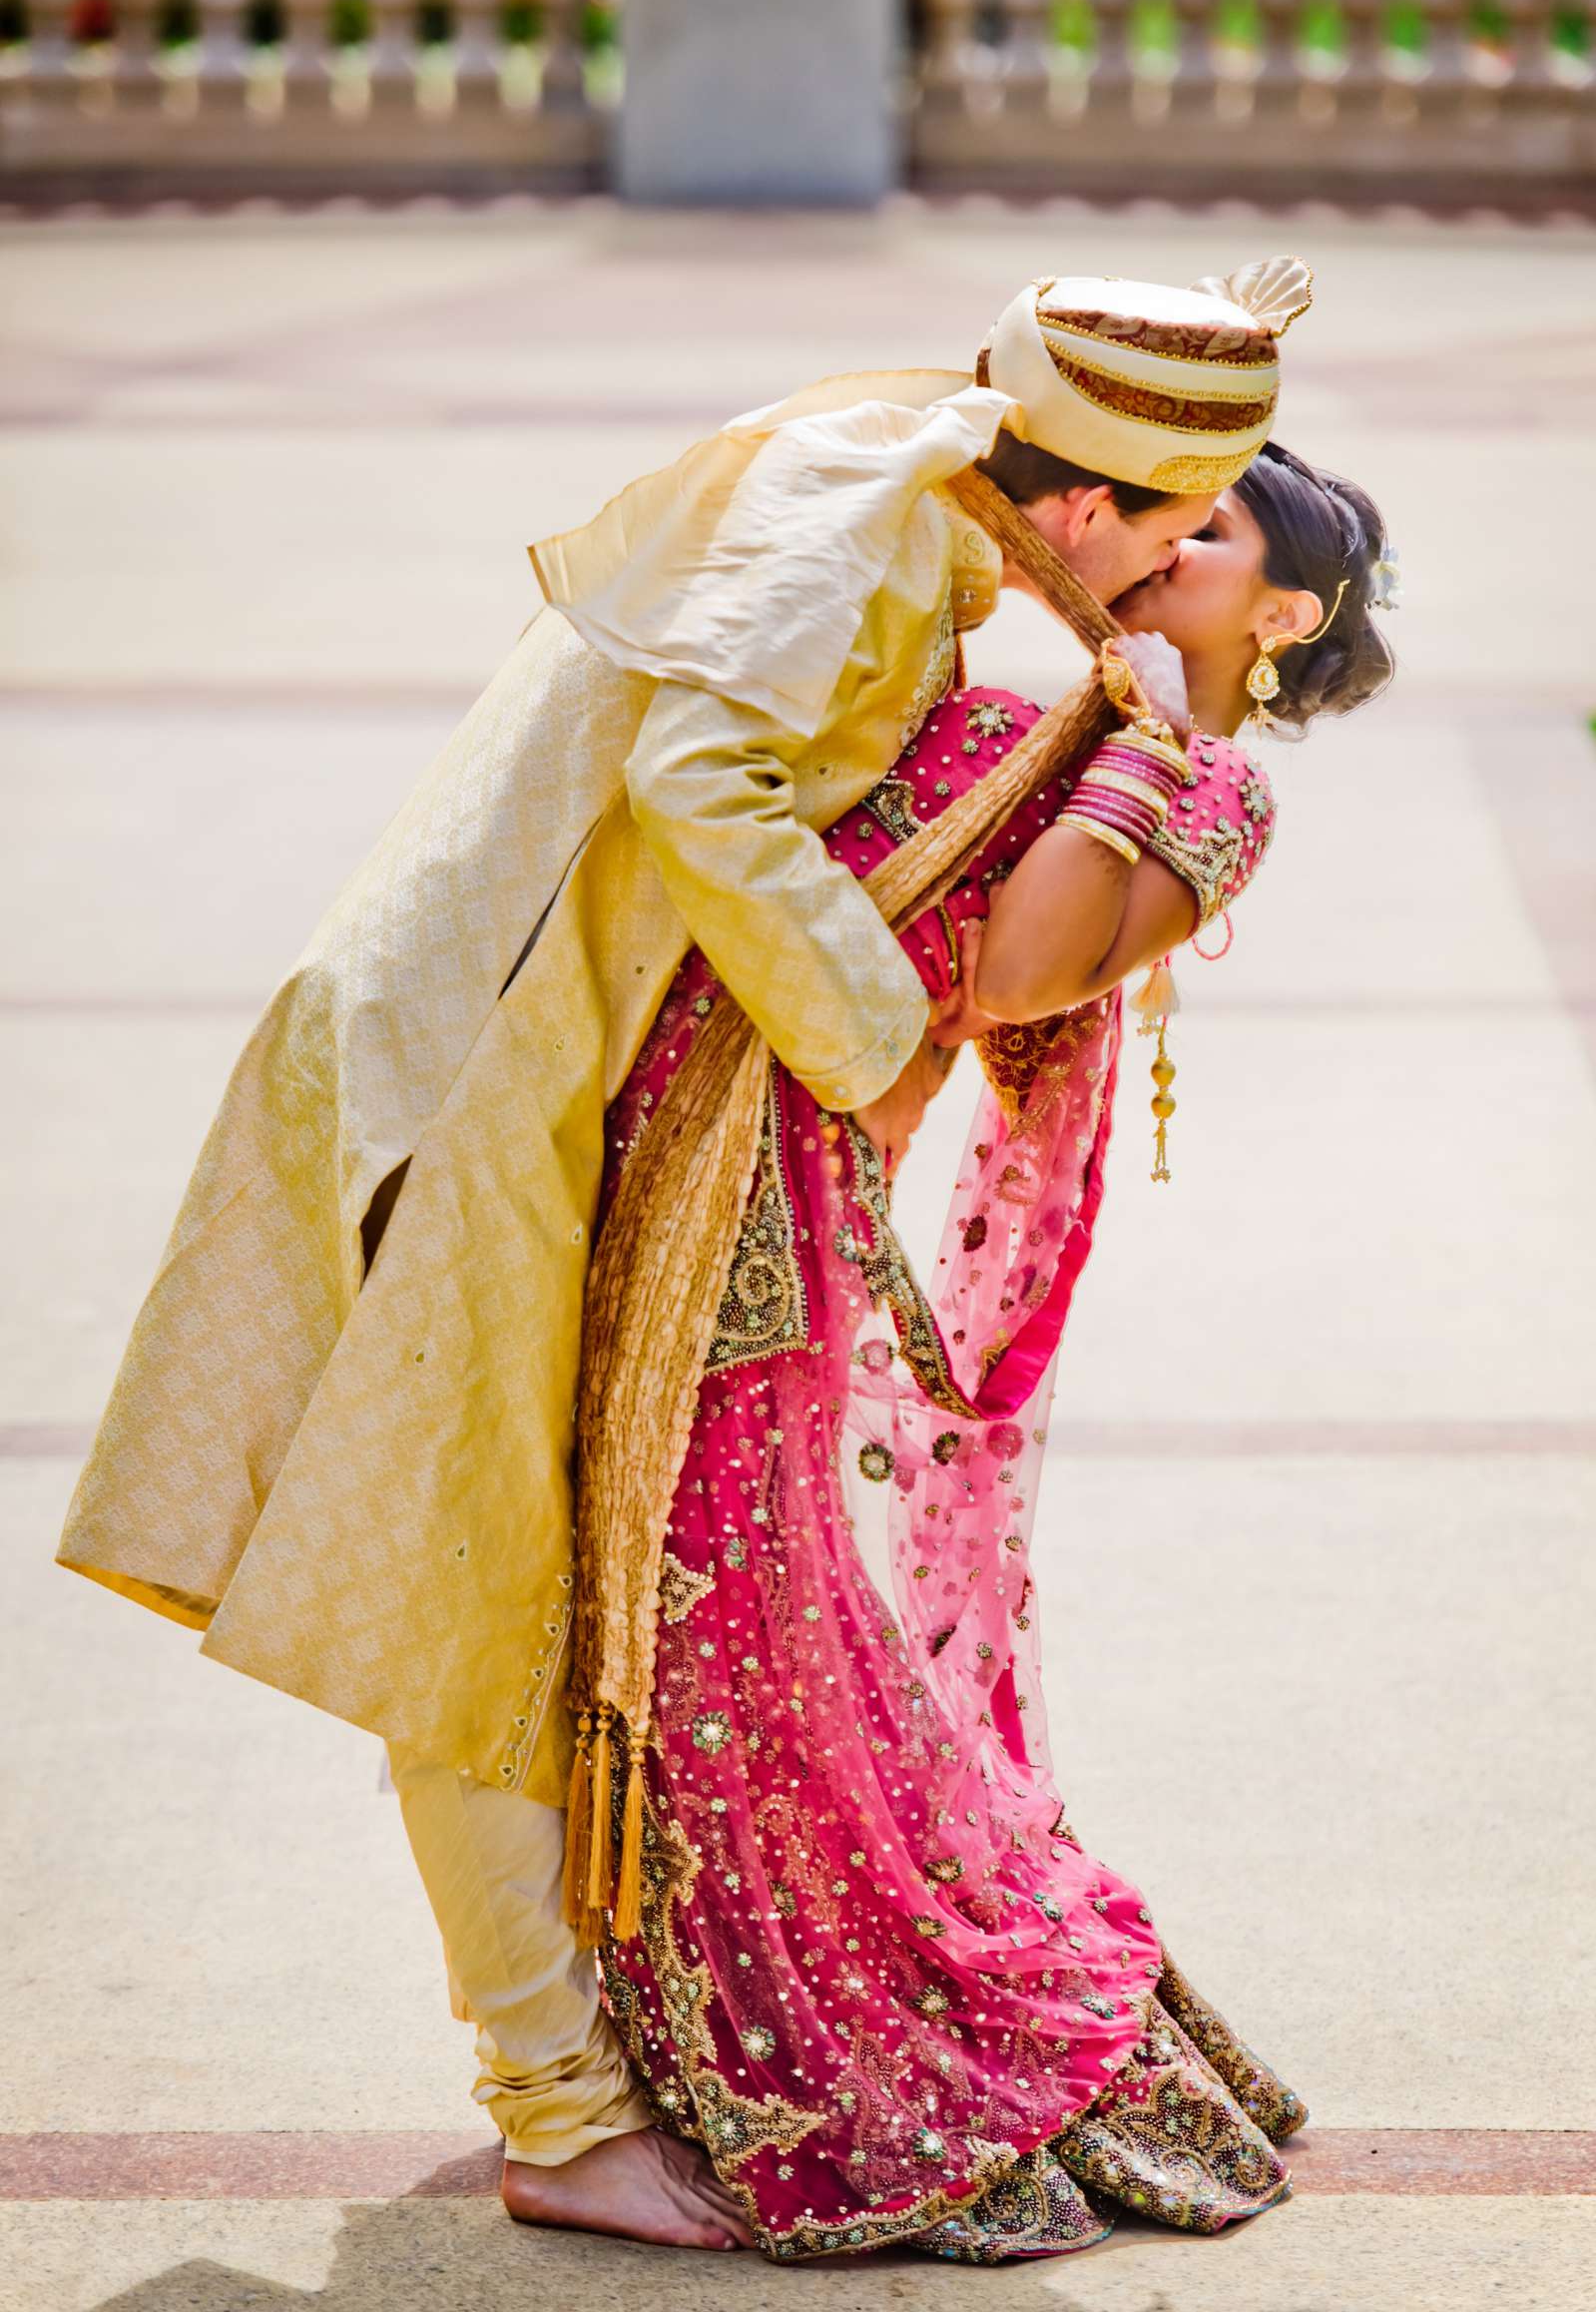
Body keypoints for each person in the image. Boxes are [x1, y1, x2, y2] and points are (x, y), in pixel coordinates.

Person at [56, 261, 1314, 2250]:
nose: (1160, 568)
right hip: (473, 1073)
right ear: (1081, 504)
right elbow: (699, 783)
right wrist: (876, 1041)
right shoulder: (872, 529)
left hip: (573, 1071)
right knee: (462, 1593)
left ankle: (573, 2079)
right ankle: (557, 2114)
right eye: (1167, 524)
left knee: (494, 1583)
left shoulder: (927, 482)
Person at [578, 439, 1395, 2259]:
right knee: (658, 1602)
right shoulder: (1017, 662)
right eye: (1171, 504)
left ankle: (809, 2039)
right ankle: (616, 2057)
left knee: (736, 1620)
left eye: (1219, 528)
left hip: (796, 1183)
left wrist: (1134, 742)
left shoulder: (1201, 786)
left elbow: (1020, 971)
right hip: (682, 1094)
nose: (1171, 534)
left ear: (1282, 614)